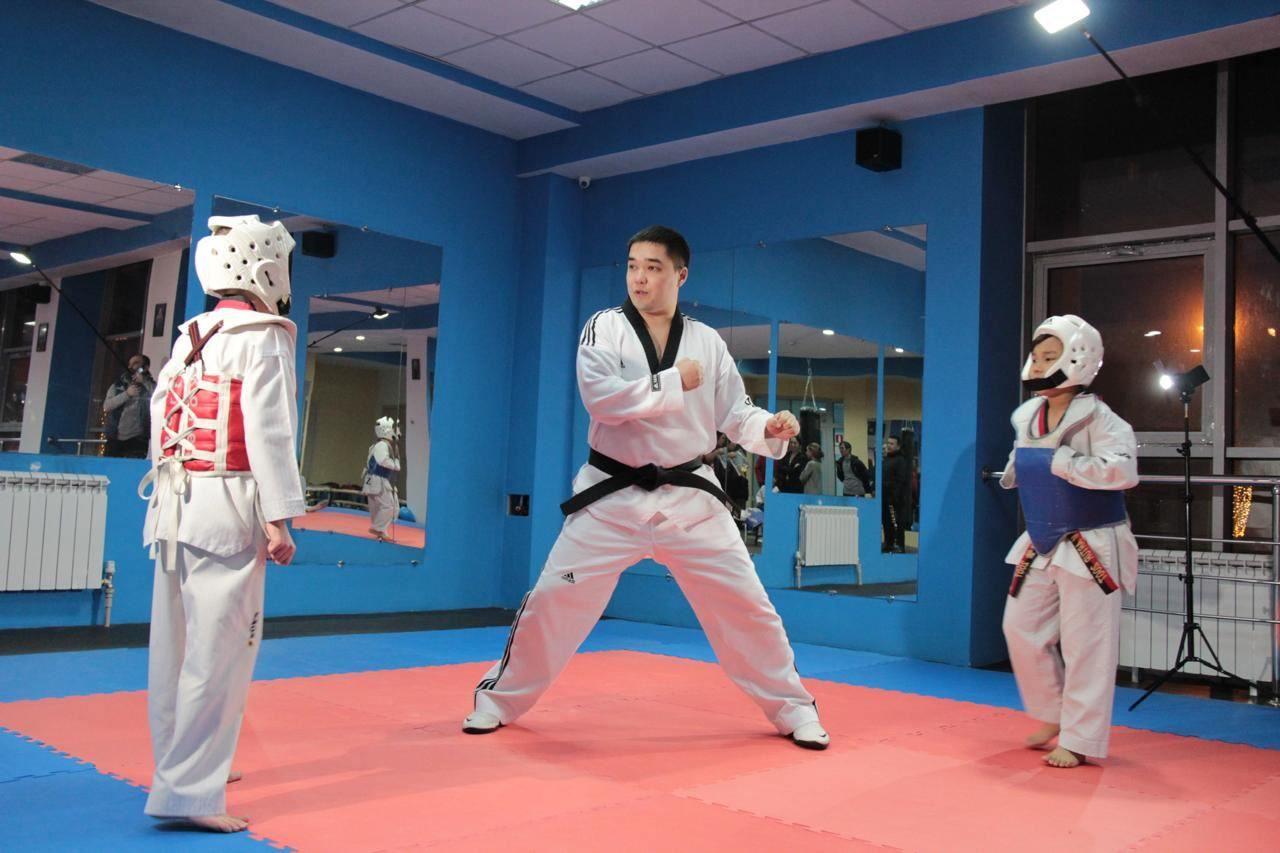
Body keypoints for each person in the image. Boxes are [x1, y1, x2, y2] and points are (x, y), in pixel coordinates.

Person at [463, 225, 828, 750]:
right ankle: (498, 699)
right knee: (552, 601)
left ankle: (794, 707)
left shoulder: (708, 342)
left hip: (690, 497)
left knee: (747, 607)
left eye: (653, 268)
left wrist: (768, 427)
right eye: (633, 266)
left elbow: (735, 412)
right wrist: (675, 380)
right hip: (611, 495)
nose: (639, 278)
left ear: (680, 275)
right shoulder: (605, 327)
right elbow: (601, 398)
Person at [138, 215, 304, 832]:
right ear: (265, 269)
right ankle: (190, 794)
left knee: (174, 649)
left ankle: (182, 766)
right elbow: (270, 431)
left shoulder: (192, 334)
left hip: (173, 506)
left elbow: (161, 420)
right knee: (220, 654)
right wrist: (278, 517)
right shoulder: (264, 337)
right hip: (228, 509)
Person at [1000, 315, 1139, 769]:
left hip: (1091, 540)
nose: (1039, 365)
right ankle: (1053, 712)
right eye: (1037, 356)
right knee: (1020, 626)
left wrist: (1062, 462)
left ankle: (1080, 738)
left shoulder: (1103, 419)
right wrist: (1020, 469)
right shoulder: (1027, 416)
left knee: (1087, 643)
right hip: (1042, 537)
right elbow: (1022, 462)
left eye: (1050, 357)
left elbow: (1123, 472)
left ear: (1079, 359)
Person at [103, 354, 156, 458]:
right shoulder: (117, 385)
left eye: (135, 363)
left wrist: (144, 382)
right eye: (129, 364)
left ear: (145, 367)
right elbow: (107, 406)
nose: (130, 366)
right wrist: (127, 394)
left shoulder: (151, 386)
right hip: (115, 438)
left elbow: (160, 399)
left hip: (138, 440)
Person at [363, 416, 401, 541]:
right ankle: (378, 528)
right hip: (378, 479)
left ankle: (381, 531)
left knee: (380, 507)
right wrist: (395, 464)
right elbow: (383, 460)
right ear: (386, 430)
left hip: (376, 479)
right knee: (389, 506)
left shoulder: (379, 445)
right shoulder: (381, 445)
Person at [881, 435, 911, 551]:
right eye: (888, 443)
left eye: (892, 443)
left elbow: (900, 481)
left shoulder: (901, 460)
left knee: (896, 523)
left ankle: (899, 545)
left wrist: (895, 497)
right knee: (886, 522)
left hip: (895, 499)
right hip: (885, 497)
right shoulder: (887, 459)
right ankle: (888, 544)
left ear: (898, 446)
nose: (889, 445)